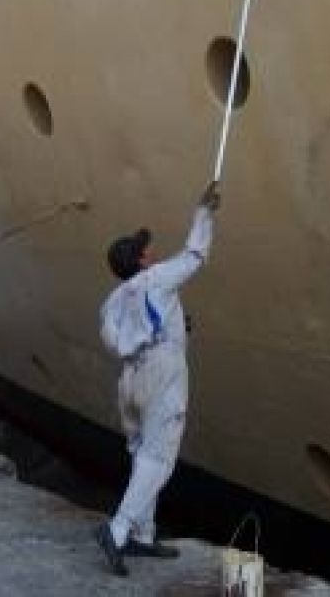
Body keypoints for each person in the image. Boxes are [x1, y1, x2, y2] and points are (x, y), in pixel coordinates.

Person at [95, 181, 220, 577]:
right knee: (160, 456)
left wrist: (172, 327)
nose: (149, 250)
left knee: (139, 452)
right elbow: (195, 255)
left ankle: (144, 536)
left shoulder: (113, 300)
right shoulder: (158, 279)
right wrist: (204, 212)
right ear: (142, 261)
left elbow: (116, 341)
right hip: (162, 371)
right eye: (144, 249)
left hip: (130, 377)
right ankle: (116, 531)